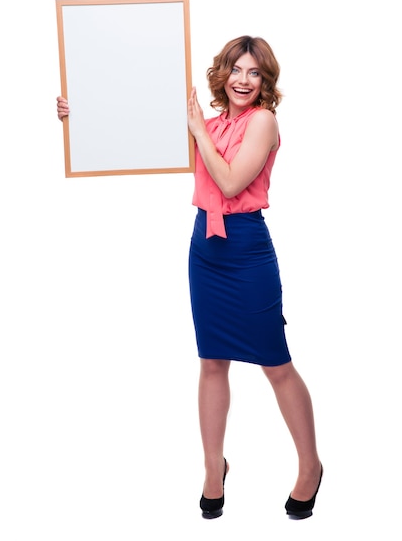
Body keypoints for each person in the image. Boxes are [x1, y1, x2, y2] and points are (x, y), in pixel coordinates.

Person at [56, 35, 322, 520]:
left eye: (254, 72)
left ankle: (310, 466)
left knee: (275, 363)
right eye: (235, 70)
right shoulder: (212, 123)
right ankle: (212, 468)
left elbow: (230, 182)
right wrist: (80, 114)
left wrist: (197, 131)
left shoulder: (262, 122)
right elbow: (133, 133)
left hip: (246, 250)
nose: (243, 80)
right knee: (212, 361)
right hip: (205, 250)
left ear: (265, 81)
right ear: (222, 73)